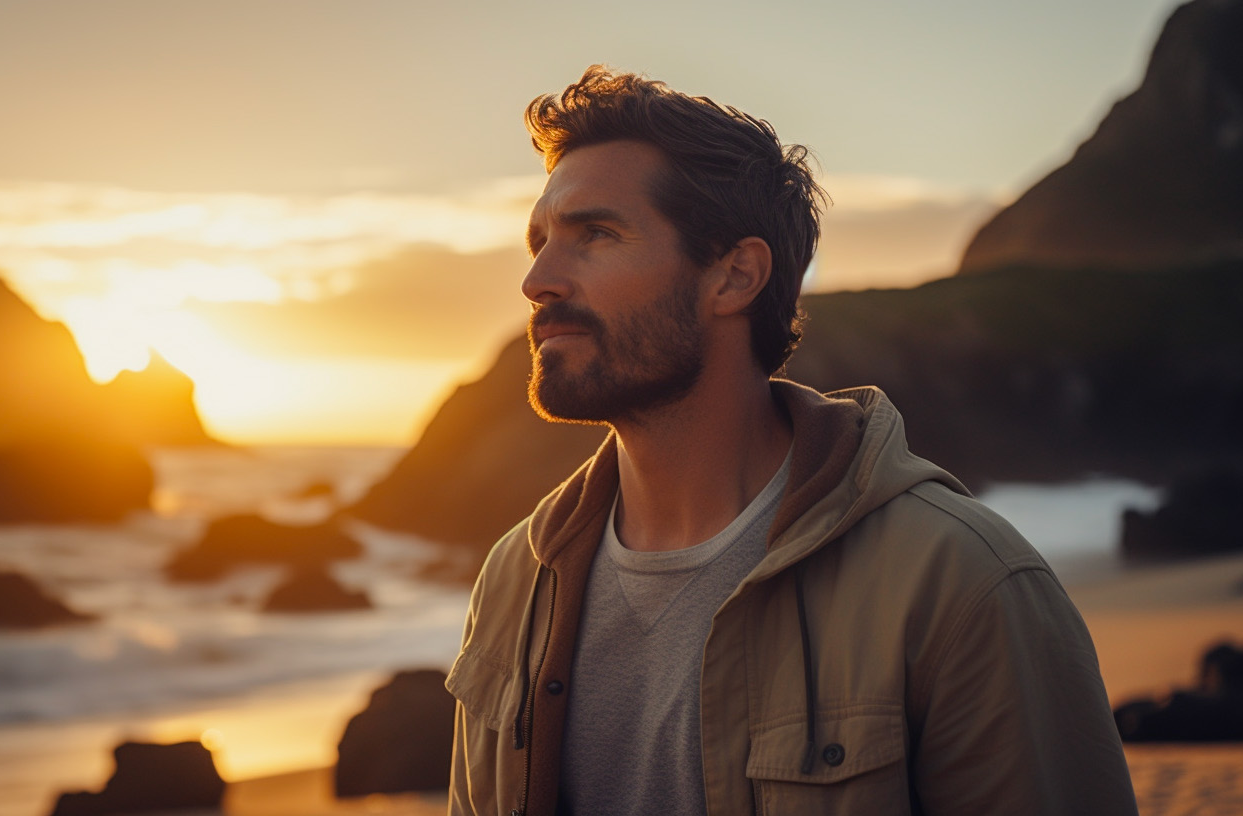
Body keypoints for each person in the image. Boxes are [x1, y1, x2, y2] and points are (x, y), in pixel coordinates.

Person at [446, 65, 1138, 816]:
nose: (538, 280)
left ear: (735, 276)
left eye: (596, 235)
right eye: (539, 241)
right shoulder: (517, 580)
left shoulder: (961, 584)